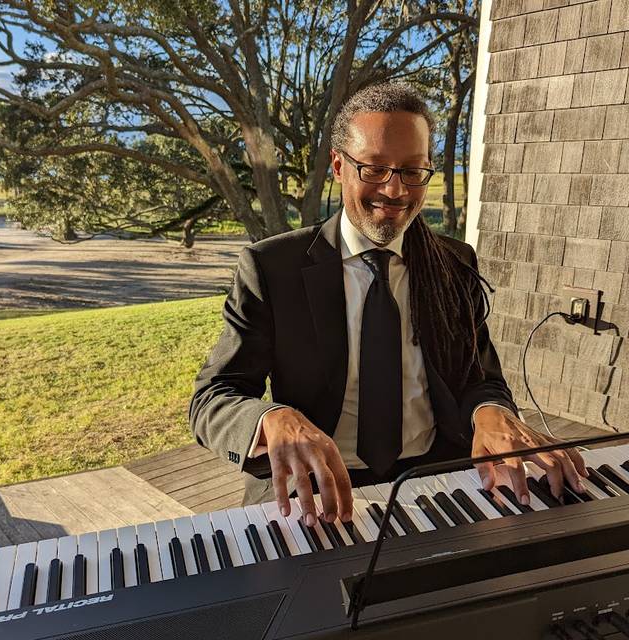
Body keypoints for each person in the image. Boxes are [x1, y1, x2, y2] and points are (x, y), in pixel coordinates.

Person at [189, 81, 586, 528]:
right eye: (374, 169)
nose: (395, 191)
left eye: (412, 171)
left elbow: (480, 379)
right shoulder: (272, 267)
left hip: (439, 480)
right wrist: (273, 417)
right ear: (339, 166)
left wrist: (489, 411)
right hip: (314, 491)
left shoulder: (455, 264)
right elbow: (212, 399)